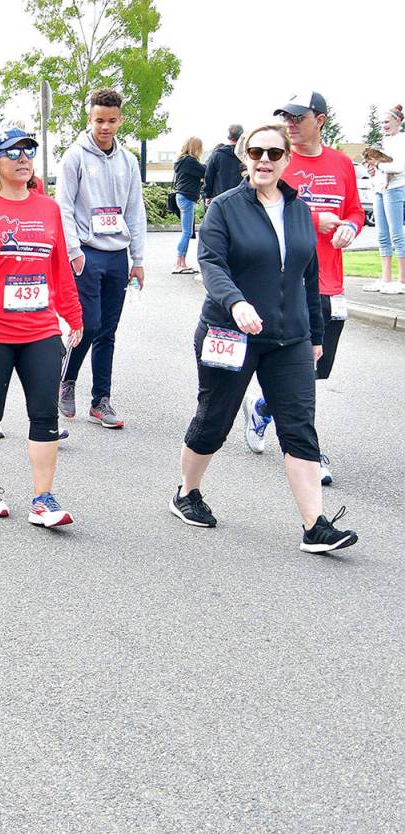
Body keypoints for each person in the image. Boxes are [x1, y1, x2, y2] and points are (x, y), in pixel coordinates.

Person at [171, 123, 358, 554]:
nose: (265, 160)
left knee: (298, 427)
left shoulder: (298, 210)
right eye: (256, 152)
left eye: (275, 153)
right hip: (228, 332)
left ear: (287, 160)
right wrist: (236, 303)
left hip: (288, 337)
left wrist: (314, 333)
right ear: (244, 157)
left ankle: (315, 525)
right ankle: (187, 492)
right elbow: (212, 263)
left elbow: (308, 276)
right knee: (213, 419)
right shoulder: (224, 207)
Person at [0, 127, 84, 524]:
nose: (23, 158)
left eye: (29, 151)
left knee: (45, 413)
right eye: (13, 152)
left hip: (40, 328)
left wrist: (73, 315)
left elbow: (59, 268)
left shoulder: (47, 209)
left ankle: (43, 498)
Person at [243, 91, 365, 487]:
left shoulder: (342, 163)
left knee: (316, 369)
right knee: (297, 371)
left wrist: (349, 226)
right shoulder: (278, 160)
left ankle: (263, 407)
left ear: (321, 120)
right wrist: (316, 220)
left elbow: (355, 210)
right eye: (286, 116)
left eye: (299, 117)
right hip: (287, 283)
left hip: (330, 280)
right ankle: (309, 453)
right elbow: (263, 207)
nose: (291, 123)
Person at [56, 88, 146, 429]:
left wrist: (137, 259)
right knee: (88, 325)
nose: (104, 127)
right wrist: (74, 251)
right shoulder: (74, 157)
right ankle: (67, 380)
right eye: (98, 121)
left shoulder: (129, 161)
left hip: (117, 255)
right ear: (89, 119)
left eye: (111, 121)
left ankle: (101, 400)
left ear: (120, 120)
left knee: (108, 330)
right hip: (86, 254)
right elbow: (63, 206)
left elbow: (136, 210)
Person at [363, 104, 405, 295]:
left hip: (395, 188)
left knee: (396, 234)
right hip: (379, 188)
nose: (384, 125)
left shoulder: (401, 141)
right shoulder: (384, 142)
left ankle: (402, 280)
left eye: (387, 121)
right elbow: (378, 166)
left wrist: (378, 164)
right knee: (382, 235)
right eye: (382, 122)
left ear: (398, 121)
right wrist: (371, 169)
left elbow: (399, 167)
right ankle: (386, 278)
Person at [172, 137, 206, 273]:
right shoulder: (190, 161)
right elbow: (206, 171)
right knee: (187, 232)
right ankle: (179, 263)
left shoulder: (181, 160)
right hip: (186, 197)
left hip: (181, 196)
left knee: (187, 232)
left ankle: (182, 262)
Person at [203, 124, 245, 204]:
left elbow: (209, 177)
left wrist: (207, 195)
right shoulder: (248, 155)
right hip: (242, 199)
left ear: (229, 136)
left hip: (220, 198)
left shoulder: (217, 154)